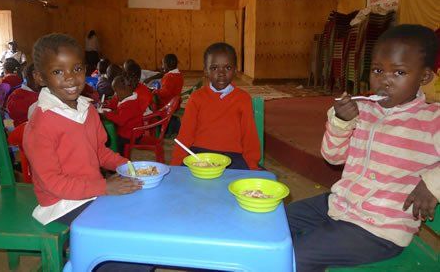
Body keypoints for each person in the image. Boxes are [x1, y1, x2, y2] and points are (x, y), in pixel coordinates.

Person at [286, 24, 440, 272]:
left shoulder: (432, 120)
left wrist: (432, 183)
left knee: (299, 254)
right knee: (279, 221)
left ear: (424, 77)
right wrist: (341, 123)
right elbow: (333, 157)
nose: (385, 81)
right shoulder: (362, 110)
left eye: (399, 73)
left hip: (380, 229)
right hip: (340, 204)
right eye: (378, 70)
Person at [23, 33, 142, 227]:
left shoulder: (88, 111)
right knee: (122, 226)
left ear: (85, 70)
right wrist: (105, 186)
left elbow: (99, 153)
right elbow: (53, 184)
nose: (70, 78)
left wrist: (129, 167)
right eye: (57, 72)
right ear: (40, 77)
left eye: (76, 68)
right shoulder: (41, 125)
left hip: (91, 193)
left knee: (140, 205)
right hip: (62, 204)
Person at [170, 43, 261, 170]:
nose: (221, 73)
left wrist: (252, 166)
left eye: (227, 68)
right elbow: (185, 134)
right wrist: (176, 165)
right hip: (199, 156)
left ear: (235, 70)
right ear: (206, 71)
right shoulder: (197, 98)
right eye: (214, 68)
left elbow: (249, 136)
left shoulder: (243, 99)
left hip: (232, 158)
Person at [104, 76, 143, 153]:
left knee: (113, 140)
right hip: (130, 131)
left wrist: (106, 115)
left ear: (125, 90)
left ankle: (121, 158)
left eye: (116, 91)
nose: (115, 94)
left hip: (131, 135)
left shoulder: (129, 104)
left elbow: (120, 120)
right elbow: (119, 110)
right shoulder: (128, 98)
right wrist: (108, 107)